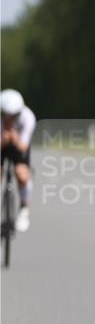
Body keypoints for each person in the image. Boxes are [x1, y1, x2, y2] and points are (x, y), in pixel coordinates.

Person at [0, 89, 35, 232]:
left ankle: (24, 207)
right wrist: (3, 140)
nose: (9, 119)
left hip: (19, 145)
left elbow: (24, 146)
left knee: (21, 173)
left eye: (13, 116)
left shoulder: (28, 117)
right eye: (6, 115)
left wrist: (14, 138)